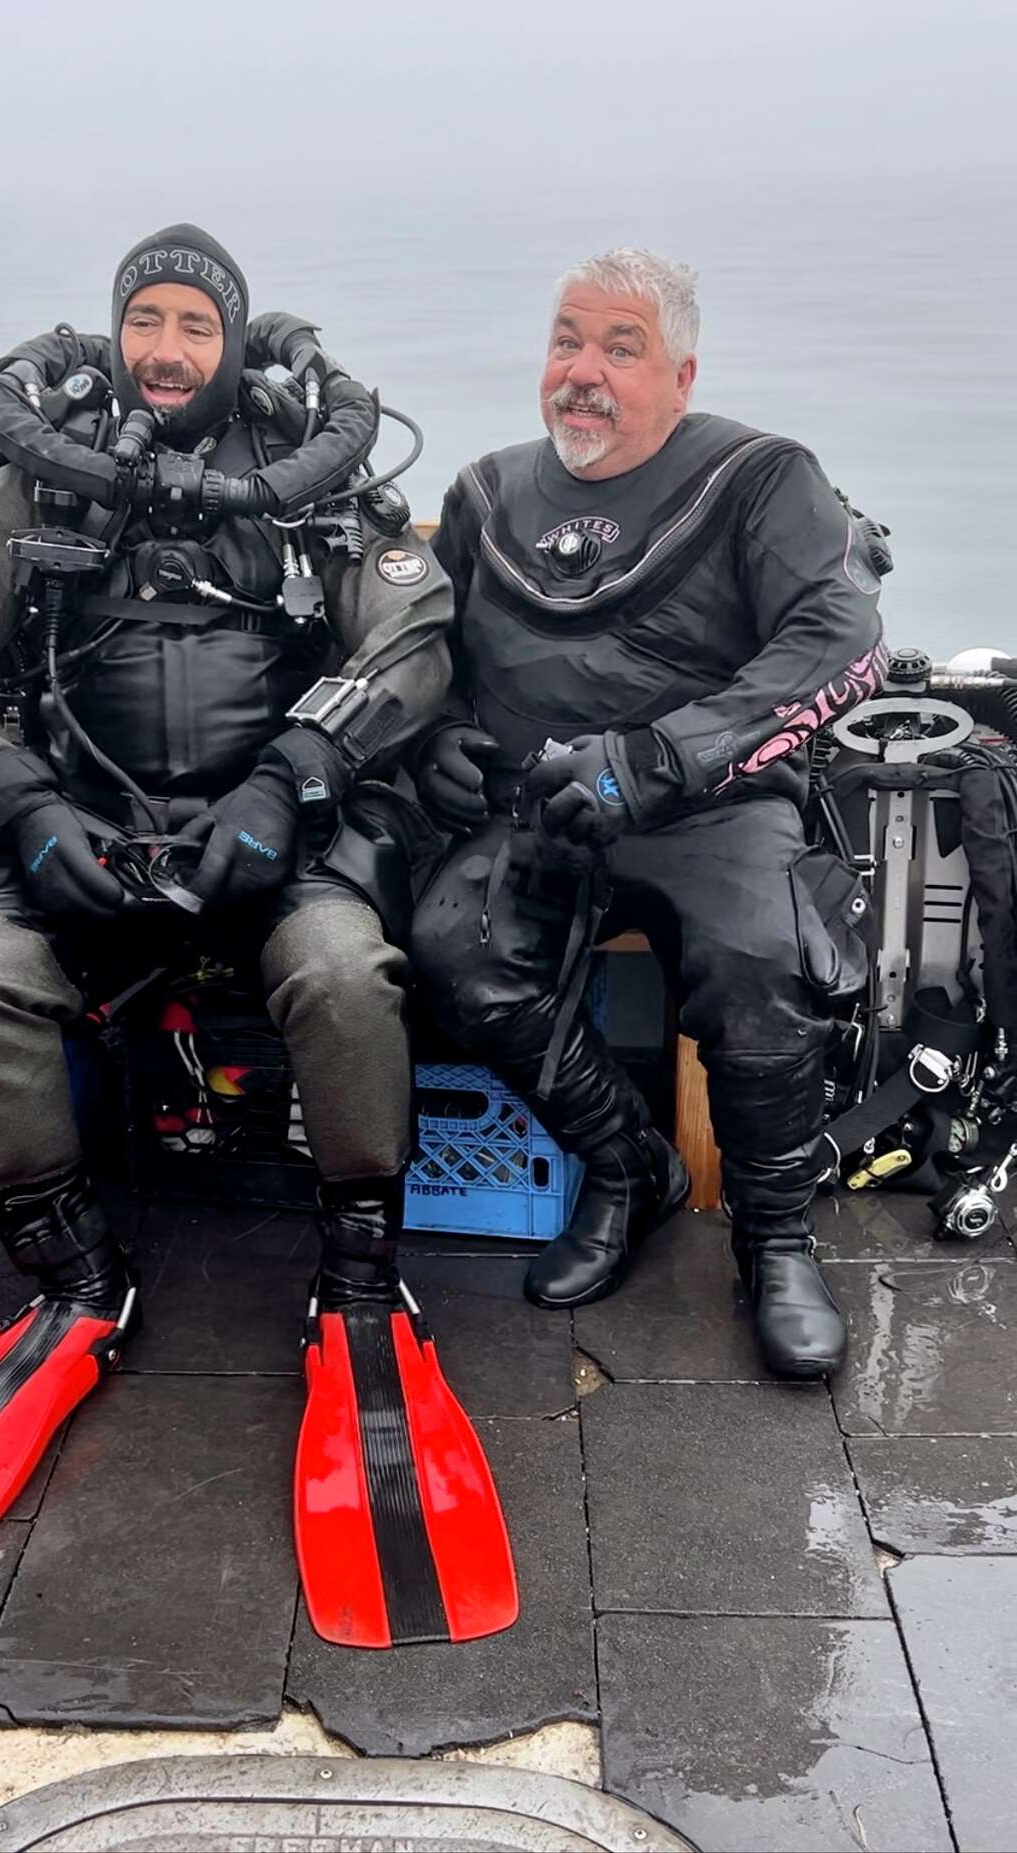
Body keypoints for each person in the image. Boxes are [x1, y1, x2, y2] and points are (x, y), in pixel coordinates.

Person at [0, 225, 518, 1647]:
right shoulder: (30, 484)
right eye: (148, 319)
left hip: (276, 836)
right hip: (80, 839)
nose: (167, 348)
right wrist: (18, 804)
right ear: (114, 333)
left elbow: (414, 636)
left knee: (341, 970)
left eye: (196, 324)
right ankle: (75, 1263)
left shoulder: (315, 486)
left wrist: (296, 775)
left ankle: (363, 1266)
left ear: (238, 345)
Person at [410, 247, 888, 1379]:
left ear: (680, 372)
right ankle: (627, 1166)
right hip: (540, 808)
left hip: (708, 804)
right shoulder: (483, 492)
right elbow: (436, 657)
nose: (584, 371)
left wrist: (666, 754)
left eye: (619, 348)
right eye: (566, 342)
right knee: (453, 947)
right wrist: (436, 738)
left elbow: (843, 637)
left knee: (761, 959)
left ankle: (775, 1237)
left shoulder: (762, 478)